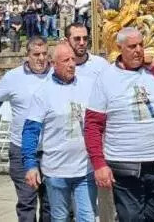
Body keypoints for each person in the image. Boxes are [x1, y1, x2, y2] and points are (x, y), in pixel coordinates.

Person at [84, 27, 154, 221]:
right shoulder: (106, 78)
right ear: (120, 48)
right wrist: (98, 164)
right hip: (126, 166)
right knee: (131, 218)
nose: (138, 50)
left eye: (141, 45)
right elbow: (92, 125)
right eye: (132, 46)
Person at [0, 37, 52, 222]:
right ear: (27, 55)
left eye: (44, 54)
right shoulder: (13, 77)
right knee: (27, 204)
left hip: (50, 150)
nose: (41, 58)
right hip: (22, 151)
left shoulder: (56, 75)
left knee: (49, 205)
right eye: (36, 54)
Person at [21, 43, 97, 222]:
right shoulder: (43, 92)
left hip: (85, 169)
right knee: (60, 217)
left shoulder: (89, 85)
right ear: (54, 64)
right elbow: (31, 130)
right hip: (56, 171)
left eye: (73, 59)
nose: (72, 64)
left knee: (87, 217)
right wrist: (30, 164)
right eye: (66, 60)